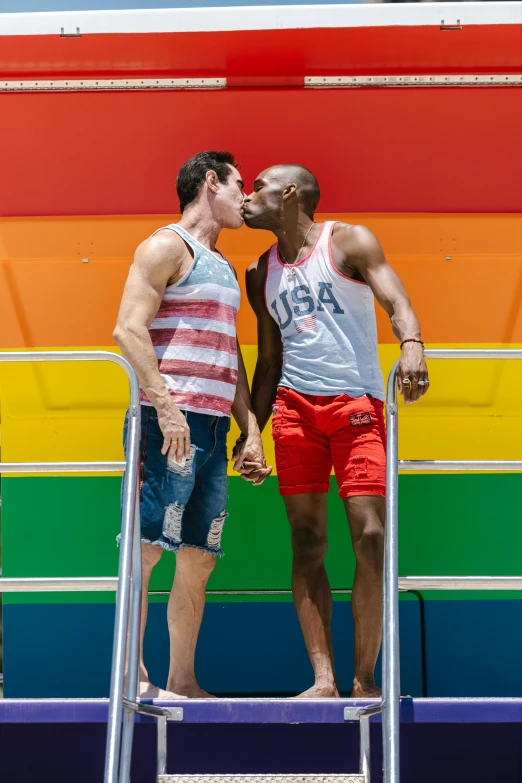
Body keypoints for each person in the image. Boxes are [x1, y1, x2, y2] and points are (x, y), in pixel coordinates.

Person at [243, 164, 429, 698]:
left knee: (371, 537)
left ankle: (365, 678)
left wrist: (412, 343)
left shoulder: (348, 240)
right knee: (306, 543)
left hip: (357, 405)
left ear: (291, 193)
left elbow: (397, 299)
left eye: (259, 186)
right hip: (294, 411)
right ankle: (324, 678)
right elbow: (269, 357)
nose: (249, 196)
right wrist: (252, 431)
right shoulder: (259, 270)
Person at [113, 151, 270, 699]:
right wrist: (164, 406)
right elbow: (128, 331)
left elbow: (231, 354)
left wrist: (250, 428)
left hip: (211, 428)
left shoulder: (223, 264)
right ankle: (131, 675)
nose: (245, 198)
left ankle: (183, 681)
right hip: (169, 424)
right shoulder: (164, 246)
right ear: (210, 183)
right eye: (238, 185)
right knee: (147, 546)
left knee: (200, 557)